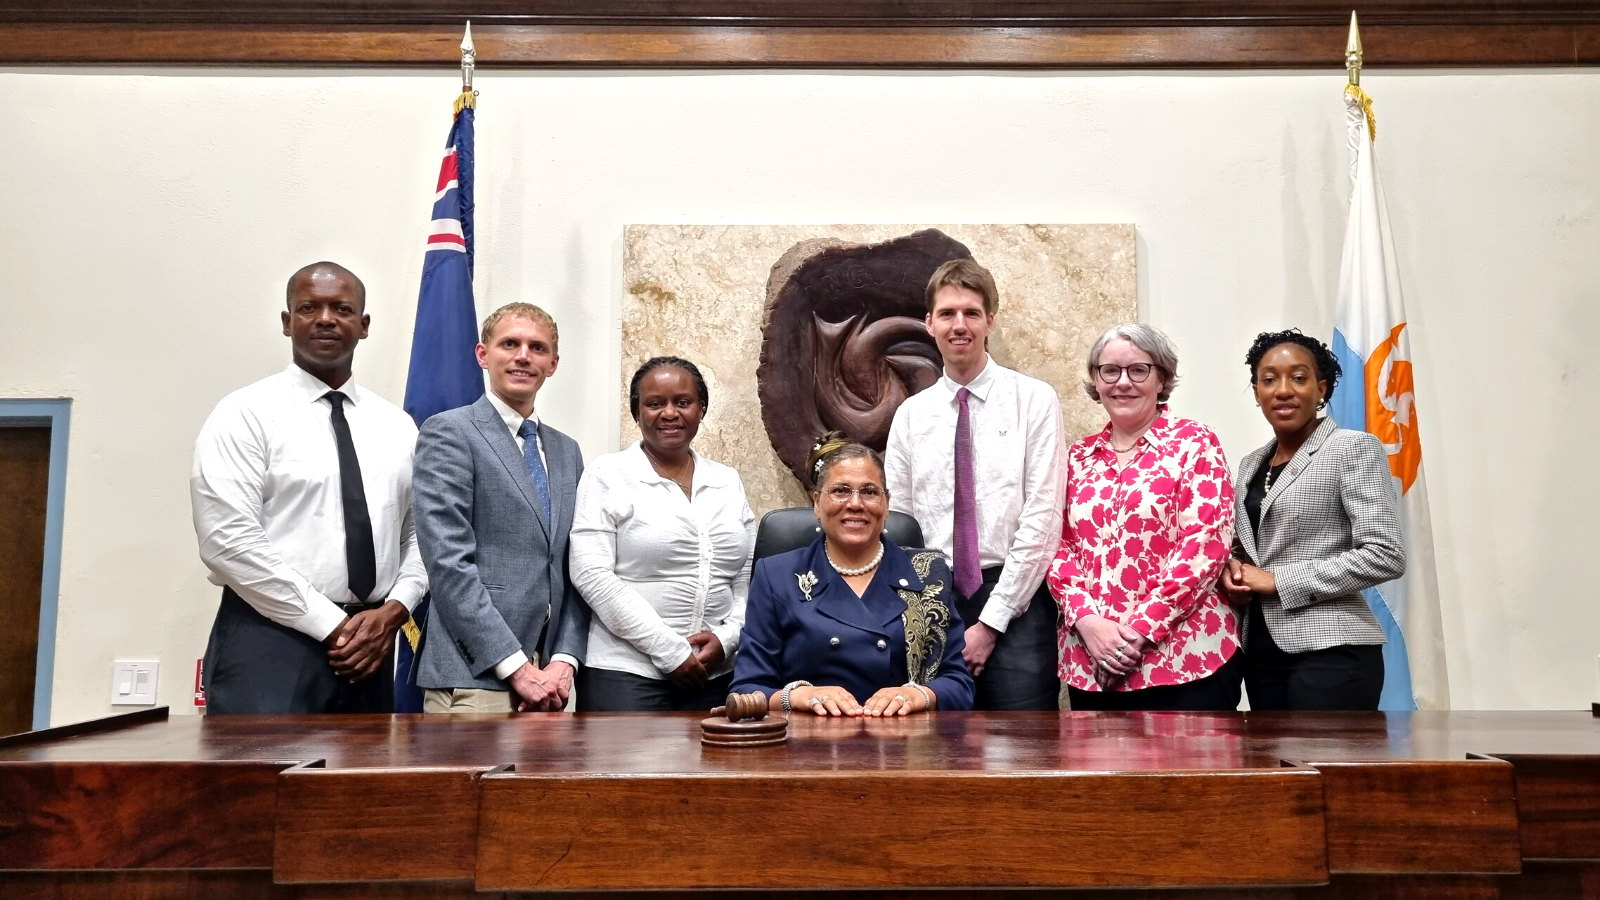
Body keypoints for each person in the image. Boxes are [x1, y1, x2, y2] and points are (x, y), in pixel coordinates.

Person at [191, 261, 428, 714]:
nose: (325, 318)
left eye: (341, 308)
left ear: (363, 325)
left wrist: (396, 608)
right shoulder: (244, 414)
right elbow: (227, 542)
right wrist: (331, 624)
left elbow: (420, 536)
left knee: (360, 785)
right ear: (287, 322)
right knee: (261, 783)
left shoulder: (398, 427)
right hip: (270, 639)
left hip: (371, 645)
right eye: (308, 307)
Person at [883, 258, 1065, 711]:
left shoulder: (1033, 400)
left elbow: (1042, 518)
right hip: (929, 599)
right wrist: (921, 612)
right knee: (933, 748)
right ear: (929, 323)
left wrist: (991, 622)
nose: (958, 325)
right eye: (946, 313)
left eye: (970, 312)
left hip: (1016, 600)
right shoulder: (911, 416)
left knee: (1022, 754)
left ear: (990, 321)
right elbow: (900, 527)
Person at [1047, 324, 1240, 711]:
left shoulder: (1194, 443)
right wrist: (1087, 622)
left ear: (1161, 377)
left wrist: (1139, 629)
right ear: (1096, 381)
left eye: (1138, 370)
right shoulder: (1075, 459)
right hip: (1093, 663)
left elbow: (1204, 546)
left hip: (1185, 660)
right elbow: (1055, 544)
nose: (1123, 383)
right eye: (1110, 371)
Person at [411, 303, 588, 713]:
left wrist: (564, 660)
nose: (523, 356)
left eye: (537, 348)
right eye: (510, 343)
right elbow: (447, 563)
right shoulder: (449, 432)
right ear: (483, 354)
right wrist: (516, 668)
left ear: (553, 363)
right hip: (476, 677)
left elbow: (575, 564)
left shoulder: (567, 451)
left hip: (552, 682)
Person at [1219, 329, 1403, 710]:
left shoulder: (1352, 448)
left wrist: (1278, 581)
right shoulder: (1250, 464)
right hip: (1261, 651)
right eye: (1269, 379)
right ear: (1256, 393)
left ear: (1321, 389)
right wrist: (1232, 569)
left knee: (1328, 770)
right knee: (1276, 770)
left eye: (1298, 378)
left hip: (1333, 651)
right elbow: (1249, 545)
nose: (1283, 389)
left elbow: (1385, 553)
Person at [733, 433, 974, 716]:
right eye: (841, 490)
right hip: (808, 747)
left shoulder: (929, 575)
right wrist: (800, 695)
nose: (856, 503)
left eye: (870, 492)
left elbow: (960, 686)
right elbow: (747, 688)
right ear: (816, 504)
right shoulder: (776, 576)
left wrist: (917, 695)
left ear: (885, 506)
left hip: (903, 746)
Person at [568, 357, 756, 711]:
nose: (669, 413)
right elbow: (590, 574)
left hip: (717, 672)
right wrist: (668, 650)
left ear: (701, 409)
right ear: (637, 412)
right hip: (628, 673)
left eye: (682, 402)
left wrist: (727, 636)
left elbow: (743, 575)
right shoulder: (607, 475)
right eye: (655, 403)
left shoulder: (727, 480)